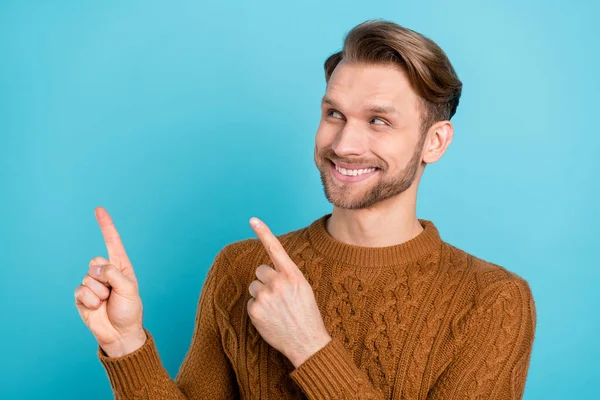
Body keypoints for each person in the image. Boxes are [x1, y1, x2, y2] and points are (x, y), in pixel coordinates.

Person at [74, 19, 536, 400]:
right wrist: (125, 344)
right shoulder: (240, 268)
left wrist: (310, 347)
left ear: (433, 142)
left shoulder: (493, 301)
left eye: (378, 121)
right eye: (334, 114)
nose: (344, 144)